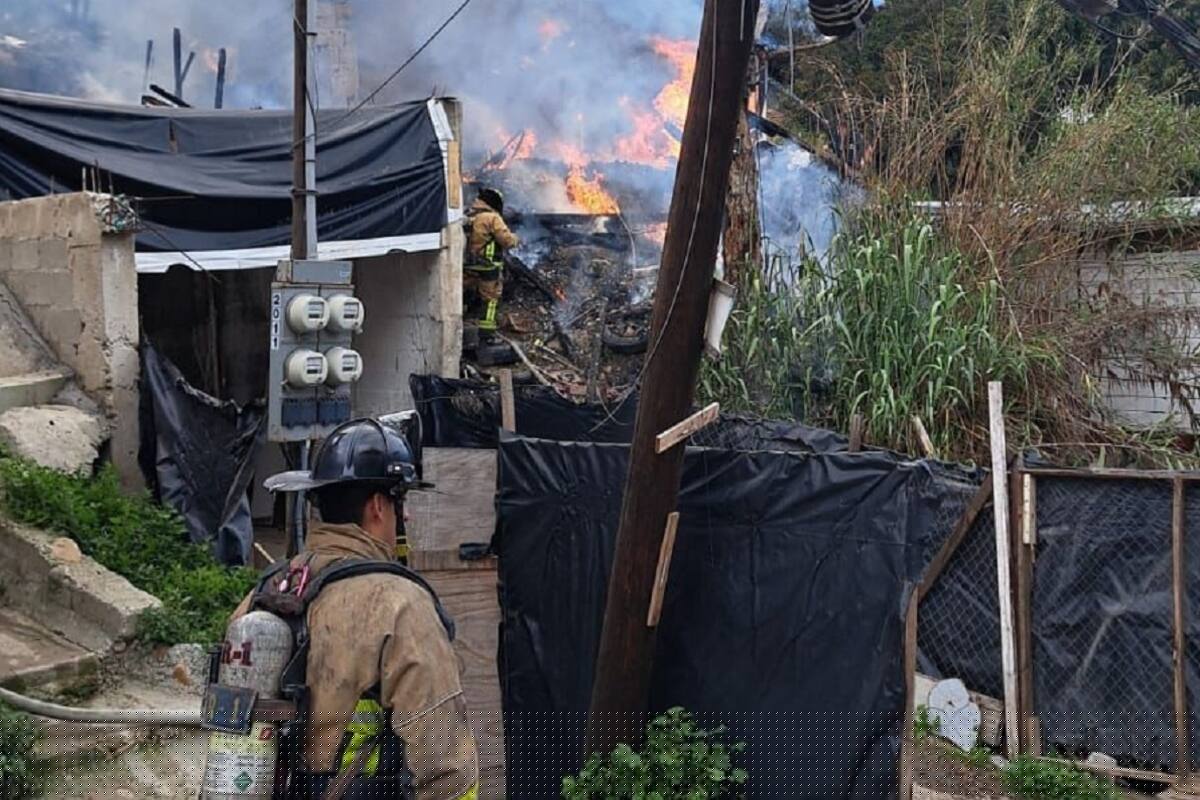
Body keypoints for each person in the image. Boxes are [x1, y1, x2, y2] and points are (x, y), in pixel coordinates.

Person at [234, 418, 479, 799]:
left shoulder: (268, 590)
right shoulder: (400, 604)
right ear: (379, 506)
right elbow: (443, 761)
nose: (407, 516)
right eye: (402, 502)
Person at [463, 187, 518, 338]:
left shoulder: (468, 215)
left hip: (468, 264)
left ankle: (459, 325)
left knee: (464, 293)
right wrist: (516, 239)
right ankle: (486, 334)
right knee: (490, 299)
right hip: (488, 266)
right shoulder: (491, 218)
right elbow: (506, 241)